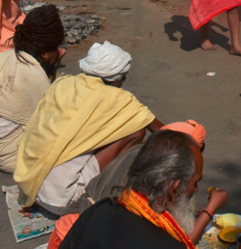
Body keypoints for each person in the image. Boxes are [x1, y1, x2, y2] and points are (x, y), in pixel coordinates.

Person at [14, 40, 164, 215]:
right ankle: (107, 188)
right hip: (64, 200)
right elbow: (163, 131)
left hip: (31, 186)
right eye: (124, 75)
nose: (124, 80)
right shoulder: (119, 98)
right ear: (117, 77)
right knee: (136, 131)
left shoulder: (62, 84)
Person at [47, 121, 218, 249]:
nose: (195, 190)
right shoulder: (169, 244)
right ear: (173, 188)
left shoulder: (101, 208)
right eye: (195, 183)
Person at [0, 5, 65, 173]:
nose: (60, 52)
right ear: (43, 53)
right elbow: (51, 127)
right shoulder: (35, 79)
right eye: (56, 48)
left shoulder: (5, 57)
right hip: (10, 157)